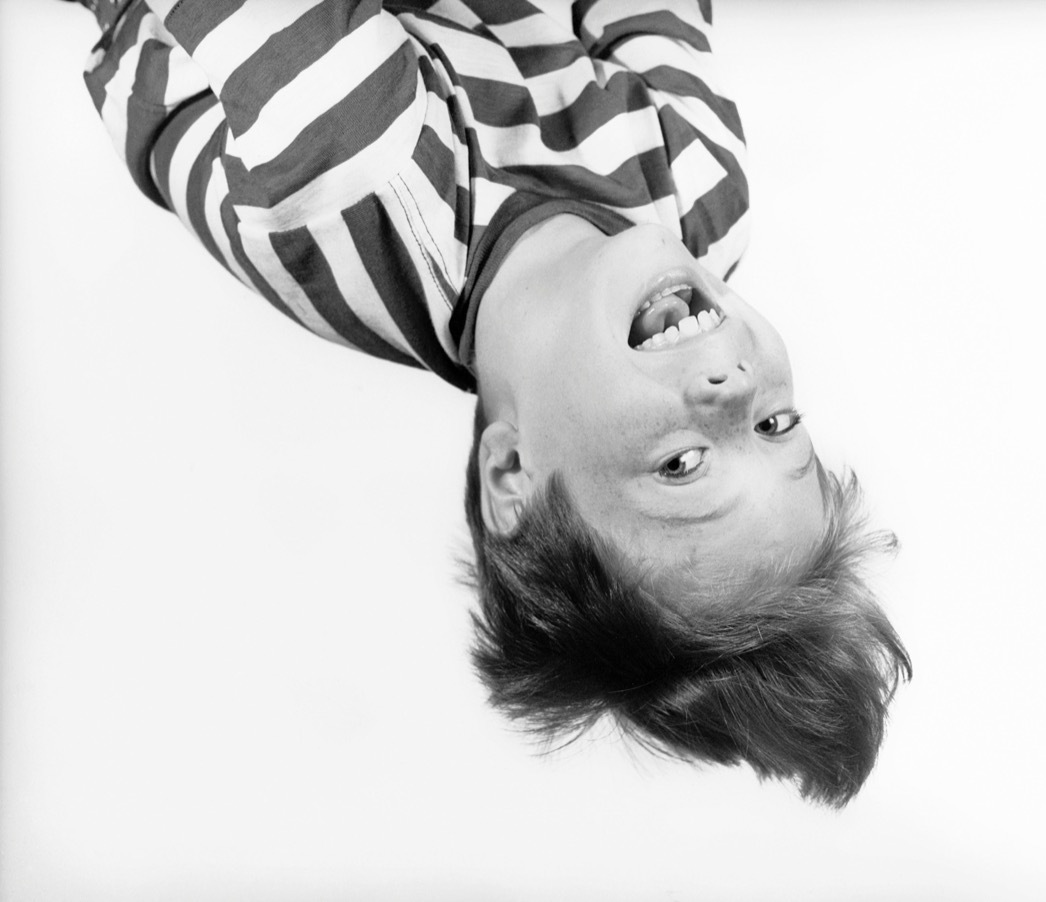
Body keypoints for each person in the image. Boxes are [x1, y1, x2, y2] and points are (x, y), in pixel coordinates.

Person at [69, 0, 910, 806]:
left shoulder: (355, 166)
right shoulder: (700, 201)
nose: (734, 389)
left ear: (512, 472)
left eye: (683, 465)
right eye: (776, 426)